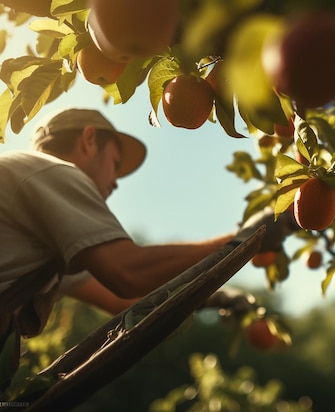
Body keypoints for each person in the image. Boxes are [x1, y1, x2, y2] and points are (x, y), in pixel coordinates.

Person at [0, 108, 294, 382]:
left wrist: (212, 296)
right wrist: (243, 238)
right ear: (89, 140)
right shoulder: (53, 171)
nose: (115, 183)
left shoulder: (43, 230)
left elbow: (124, 302)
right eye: (115, 164)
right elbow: (128, 273)